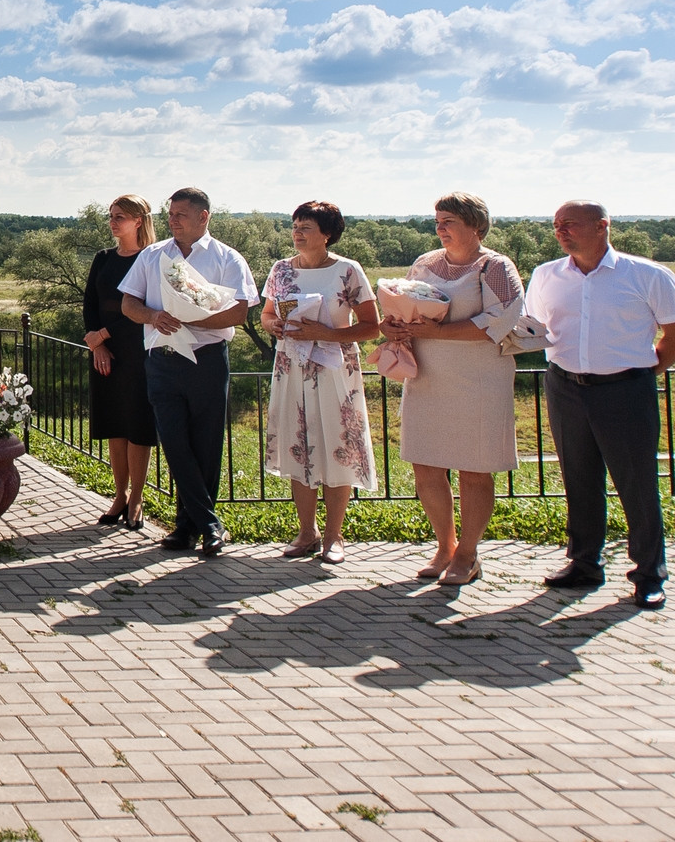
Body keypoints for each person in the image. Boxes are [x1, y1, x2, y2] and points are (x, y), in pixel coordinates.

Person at [521, 200, 675, 609]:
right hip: (565, 387)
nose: (561, 231)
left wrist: (640, 373)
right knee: (579, 479)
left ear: (602, 225)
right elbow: (532, 327)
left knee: (637, 485)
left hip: (626, 390)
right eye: (556, 225)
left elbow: (673, 333)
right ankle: (584, 564)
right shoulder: (546, 275)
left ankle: (649, 574)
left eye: (569, 224)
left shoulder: (647, 275)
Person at [381, 192, 526, 587]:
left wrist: (441, 331)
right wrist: (392, 324)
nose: (440, 228)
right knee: (426, 465)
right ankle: (444, 547)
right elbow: (404, 304)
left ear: (475, 226)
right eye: (438, 221)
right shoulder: (424, 263)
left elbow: (503, 318)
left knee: (474, 470)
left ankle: (468, 553)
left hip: (479, 378)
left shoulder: (494, 266)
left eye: (449, 221)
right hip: (427, 377)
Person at [119, 188, 259, 556]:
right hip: (162, 360)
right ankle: (210, 525)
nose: (173, 220)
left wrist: (190, 315)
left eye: (181, 214)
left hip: (208, 360)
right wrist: (153, 315)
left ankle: (187, 529)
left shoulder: (227, 258)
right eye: (171, 214)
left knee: (206, 444)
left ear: (204, 216)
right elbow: (128, 302)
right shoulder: (153, 255)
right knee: (174, 441)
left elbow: (239, 313)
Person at [258, 201, 381, 565]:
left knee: (336, 445)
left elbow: (373, 326)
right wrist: (273, 326)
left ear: (327, 233)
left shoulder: (347, 271)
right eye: (295, 226)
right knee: (299, 446)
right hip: (291, 368)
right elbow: (266, 314)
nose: (297, 232)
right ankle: (306, 531)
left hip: (333, 371)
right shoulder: (280, 270)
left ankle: (334, 536)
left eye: (306, 227)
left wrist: (325, 332)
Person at [83, 195, 157, 530]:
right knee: (115, 424)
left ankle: (138, 498)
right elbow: (90, 303)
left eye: (120, 217)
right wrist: (95, 342)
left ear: (139, 220)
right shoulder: (103, 258)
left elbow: (145, 309)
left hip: (138, 349)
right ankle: (119, 495)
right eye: (111, 216)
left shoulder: (152, 259)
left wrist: (104, 334)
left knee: (138, 424)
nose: (113, 223)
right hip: (105, 352)